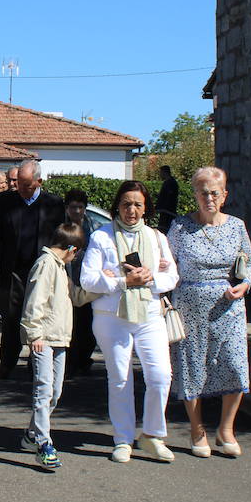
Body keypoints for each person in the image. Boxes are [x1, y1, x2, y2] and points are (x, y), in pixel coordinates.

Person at [80, 181, 179, 464]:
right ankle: (123, 439)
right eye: (126, 204)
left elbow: (172, 276)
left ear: (145, 208)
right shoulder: (102, 236)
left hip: (149, 314)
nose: (131, 210)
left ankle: (152, 435)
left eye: (137, 204)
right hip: (112, 317)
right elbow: (88, 279)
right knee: (120, 378)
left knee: (160, 376)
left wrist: (150, 277)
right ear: (117, 206)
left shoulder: (157, 238)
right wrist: (123, 281)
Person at [167, 166, 251, 458]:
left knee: (235, 365)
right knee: (192, 366)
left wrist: (244, 284)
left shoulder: (236, 226)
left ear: (224, 195)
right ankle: (197, 431)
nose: (209, 198)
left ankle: (226, 429)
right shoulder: (180, 227)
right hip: (190, 306)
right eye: (203, 193)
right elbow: (167, 264)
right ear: (195, 195)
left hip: (228, 308)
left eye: (214, 193)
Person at [0, 159, 67, 379]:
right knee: (11, 319)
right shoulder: (4, 201)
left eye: (27, 185)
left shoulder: (54, 204)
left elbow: (61, 239)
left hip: (42, 272)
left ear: (39, 182)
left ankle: (36, 365)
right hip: (11, 271)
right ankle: (7, 363)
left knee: (40, 318)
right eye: (19, 184)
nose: (21, 189)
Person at [19, 221, 88, 470]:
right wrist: (34, 334)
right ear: (71, 249)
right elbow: (34, 301)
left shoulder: (60, 267)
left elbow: (76, 296)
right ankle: (43, 443)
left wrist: (107, 287)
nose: (75, 258)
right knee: (43, 390)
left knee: (54, 392)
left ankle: (31, 434)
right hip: (44, 339)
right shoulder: (46, 264)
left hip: (59, 338)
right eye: (76, 253)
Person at [64, 189, 100, 377]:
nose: (76, 211)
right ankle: (71, 361)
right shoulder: (62, 227)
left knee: (88, 324)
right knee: (71, 324)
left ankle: (84, 360)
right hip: (68, 280)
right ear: (67, 208)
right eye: (73, 207)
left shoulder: (94, 227)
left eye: (80, 207)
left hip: (88, 282)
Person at [157, 165, 180, 233]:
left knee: (165, 229)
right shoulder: (168, 182)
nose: (160, 174)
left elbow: (169, 198)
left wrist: (163, 208)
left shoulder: (171, 183)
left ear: (164, 172)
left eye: (161, 172)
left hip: (168, 212)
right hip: (165, 211)